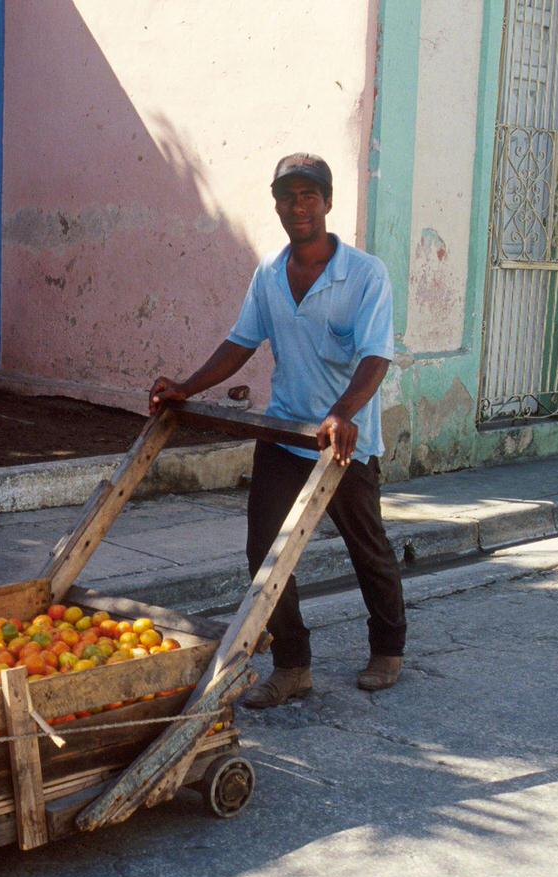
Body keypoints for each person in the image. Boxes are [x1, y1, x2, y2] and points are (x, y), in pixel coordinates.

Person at [149, 153, 407, 707]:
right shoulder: (269, 272)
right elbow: (242, 341)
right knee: (266, 552)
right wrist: (187, 387)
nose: (299, 206)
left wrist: (343, 413)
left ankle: (388, 649)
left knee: (367, 548)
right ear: (277, 205)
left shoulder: (365, 274)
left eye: (309, 195)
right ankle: (293, 666)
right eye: (288, 196)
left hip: (346, 442)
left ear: (328, 202)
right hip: (287, 432)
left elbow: (375, 357)